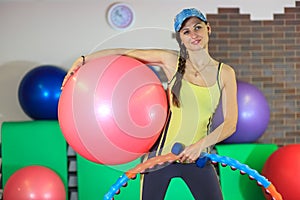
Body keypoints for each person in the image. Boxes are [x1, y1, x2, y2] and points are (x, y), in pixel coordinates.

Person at [62, 8, 238, 200]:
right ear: (180, 37)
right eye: (186, 31)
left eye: (198, 27)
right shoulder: (171, 60)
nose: (193, 35)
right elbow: (123, 53)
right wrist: (83, 60)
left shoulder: (225, 73)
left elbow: (230, 124)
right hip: (159, 159)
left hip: (198, 159)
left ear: (208, 29)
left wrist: (199, 146)